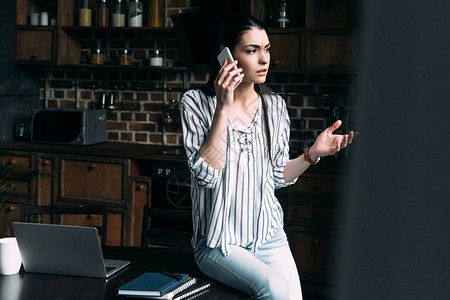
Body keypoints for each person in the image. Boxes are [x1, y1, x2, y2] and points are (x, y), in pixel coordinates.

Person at [179, 14, 355, 300]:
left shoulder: (274, 106)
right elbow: (205, 175)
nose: (264, 59)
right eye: (252, 50)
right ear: (226, 55)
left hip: (268, 233)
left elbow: (276, 176)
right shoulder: (195, 104)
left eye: (267, 48)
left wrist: (313, 154)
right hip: (219, 242)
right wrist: (223, 108)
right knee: (274, 288)